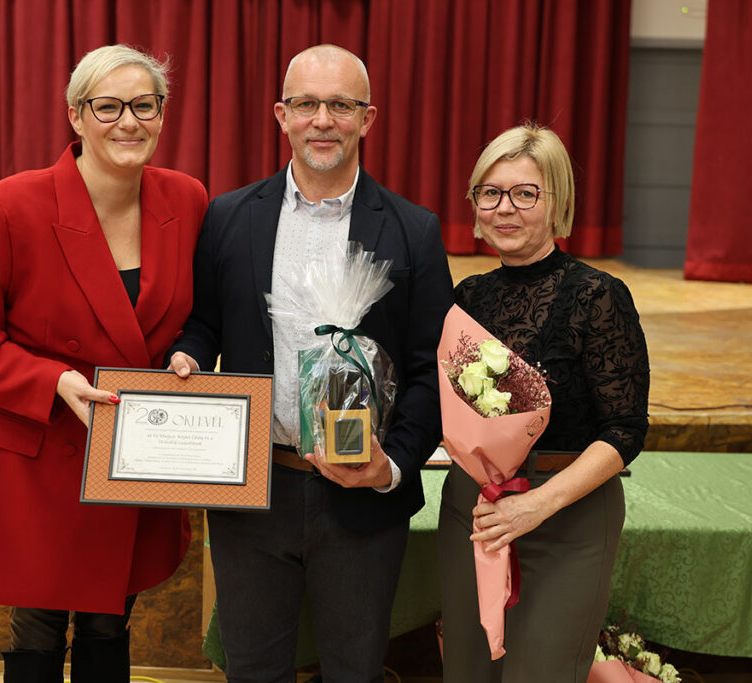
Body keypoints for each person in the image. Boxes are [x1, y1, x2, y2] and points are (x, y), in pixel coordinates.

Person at [166, 44, 453, 682]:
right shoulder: (229, 217)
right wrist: (188, 353)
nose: (323, 120)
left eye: (341, 106)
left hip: (363, 502)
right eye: (306, 104)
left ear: (367, 119)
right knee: (253, 672)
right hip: (254, 488)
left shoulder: (414, 230)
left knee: (353, 672)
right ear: (282, 115)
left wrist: (391, 467)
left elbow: (432, 370)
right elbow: (205, 323)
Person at [0, 44, 207, 683]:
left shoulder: (187, 199)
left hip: (133, 454)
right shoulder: (7, 207)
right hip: (40, 455)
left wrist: (191, 349)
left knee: (111, 621)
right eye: (107, 107)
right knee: (38, 627)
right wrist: (52, 379)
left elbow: (201, 312)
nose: (128, 122)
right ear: (76, 116)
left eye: (144, 105)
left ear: (163, 115)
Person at [437, 124, 650, 682]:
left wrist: (535, 506)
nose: (504, 208)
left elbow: (625, 432)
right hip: (474, 514)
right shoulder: (467, 298)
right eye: (490, 192)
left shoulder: (598, 295)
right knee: (466, 673)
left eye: (525, 193)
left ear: (557, 203)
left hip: (566, 520)